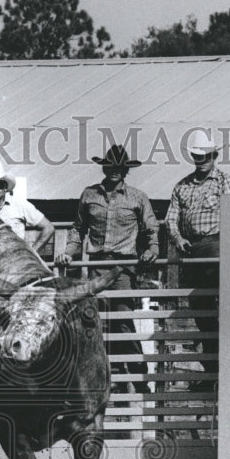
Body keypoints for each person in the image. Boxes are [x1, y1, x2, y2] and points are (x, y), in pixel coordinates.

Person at [56, 145, 158, 395]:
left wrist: (153, 248)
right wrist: (68, 253)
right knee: (94, 321)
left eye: (119, 168)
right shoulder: (89, 195)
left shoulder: (137, 197)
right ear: (104, 168)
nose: (114, 171)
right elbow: (78, 229)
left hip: (123, 267)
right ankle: (99, 378)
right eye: (110, 166)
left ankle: (138, 376)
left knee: (123, 319)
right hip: (96, 266)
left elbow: (151, 229)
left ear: (125, 170)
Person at [163, 129, 230, 372]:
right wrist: (177, 238)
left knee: (223, 299)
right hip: (192, 249)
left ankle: (227, 354)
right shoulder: (181, 186)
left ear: (214, 155)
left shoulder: (225, 181)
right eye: (198, 157)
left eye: (205, 156)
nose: (202, 161)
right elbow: (170, 219)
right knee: (199, 302)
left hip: (217, 246)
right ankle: (212, 358)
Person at [0, 163, 55, 257]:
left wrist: (31, 253)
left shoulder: (20, 205)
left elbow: (48, 227)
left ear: (5, 187)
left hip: (14, 261)